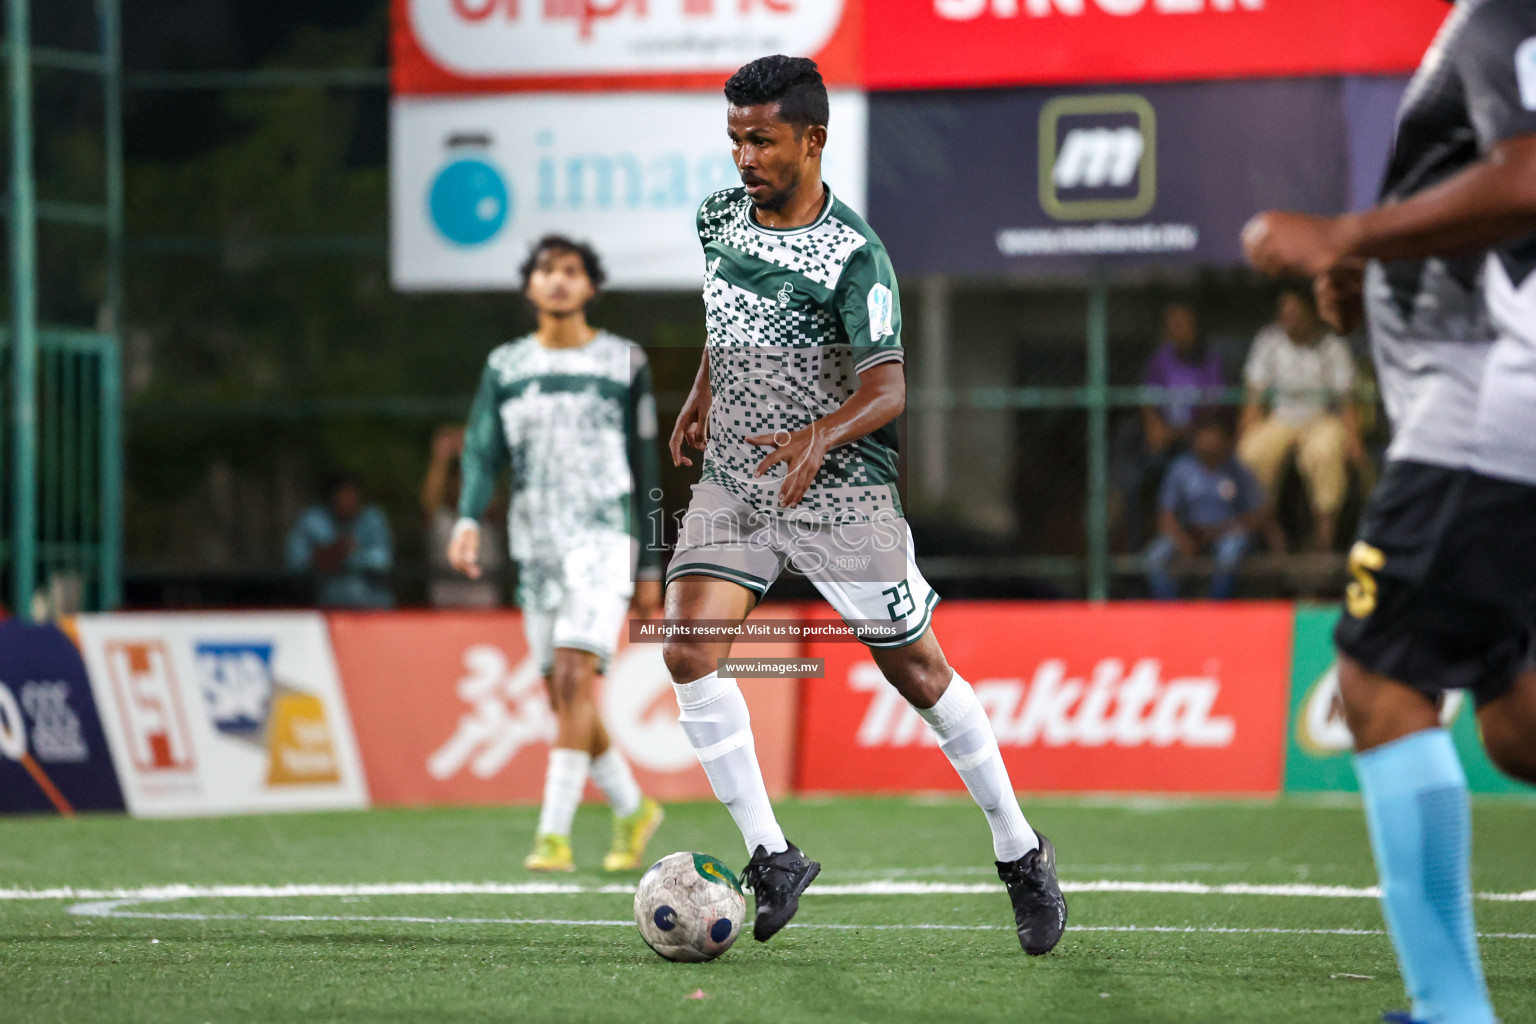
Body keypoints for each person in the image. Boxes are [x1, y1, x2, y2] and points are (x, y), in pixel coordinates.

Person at [662, 55, 1066, 954]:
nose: (743, 156)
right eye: (733, 138)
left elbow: (888, 389)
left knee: (917, 673)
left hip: (839, 486)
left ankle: (1020, 850)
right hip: (738, 475)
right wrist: (704, 390)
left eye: (761, 139)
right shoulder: (718, 216)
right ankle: (772, 857)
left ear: (813, 140)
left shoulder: (855, 254)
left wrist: (815, 436)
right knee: (688, 645)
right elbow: (727, 316)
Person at [1244, 1, 1536, 1020]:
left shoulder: (1510, 16)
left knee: (1376, 686)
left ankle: (1450, 1010)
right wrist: (1378, 276)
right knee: (1517, 723)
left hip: (1488, 415)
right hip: (1484, 403)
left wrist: (1349, 231)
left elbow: (1529, 175)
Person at [449, 235, 665, 874]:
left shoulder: (625, 360)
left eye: (572, 271)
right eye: (547, 271)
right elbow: (482, 449)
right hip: (534, 542)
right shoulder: (505, 366)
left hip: (604, 534)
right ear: (530, 288)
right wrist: (467, 517)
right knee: (562, 696)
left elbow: (646, 459)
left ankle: (553, 834)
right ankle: (633, 809)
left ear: (590, 287)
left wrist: (652, 560)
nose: (559, 281)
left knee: (574, 676)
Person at [1237, 285, 1364, 551]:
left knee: (1324, 452)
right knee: (1252, 453)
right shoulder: (1268, 340)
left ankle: (1323, 537)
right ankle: (1273, 536)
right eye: (1284, 309)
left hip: (1320, 418)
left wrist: (1354, 440)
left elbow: (1345, 400)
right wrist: (1245, 431)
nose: (1288, 315)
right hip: (1280, 418)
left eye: (1295, 310)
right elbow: (1254, 395)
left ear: (1311, 312)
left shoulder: (1331, 345)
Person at [1120, 302, 1226, 548]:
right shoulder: (1160, 360)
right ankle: (1136, 548)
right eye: (1173, 325)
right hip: (1165, 443)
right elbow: (1148, 400)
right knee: (1135, 480)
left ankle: (1199, 543)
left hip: (1195, 441)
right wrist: (1154, 427)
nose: (1179, 330)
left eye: (1185, 324)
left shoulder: (1210, 360)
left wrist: (1175, 432)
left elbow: (1212, 411)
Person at [1145, 413, 1277, 600]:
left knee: (1231, 552)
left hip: (1226, 533)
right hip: (1190, 534)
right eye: (1205, 436)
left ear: (1225, 440)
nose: (1209, 442)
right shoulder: (1182, 469)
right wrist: (1183, 540)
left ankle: (1217, 606)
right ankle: (1171, 610)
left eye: (1214, 437)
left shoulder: (1238, 471)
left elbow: (1260, 512)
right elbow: (1166, 514)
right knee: (1156, 557)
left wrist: (1225, 529)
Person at [421, 425, 505, 609]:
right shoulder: (440, 516)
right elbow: (429, 504)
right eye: (457, 481)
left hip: (483, 589)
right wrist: (441, 458)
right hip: (445, 591)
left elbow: (495, 503)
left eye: (467, 482)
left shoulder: (486, 513)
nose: (461, 487)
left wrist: (473, 454)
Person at [285, 473, 394, 609]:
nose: (348, 500)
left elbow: (383, 560)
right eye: (343, 495)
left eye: (352, 494)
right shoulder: (313, 520)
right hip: (324, 606)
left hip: (372, 607)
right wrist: (327, 555)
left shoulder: (371, 519)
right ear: (332, 497)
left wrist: (349, 556)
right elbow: (295, 563)